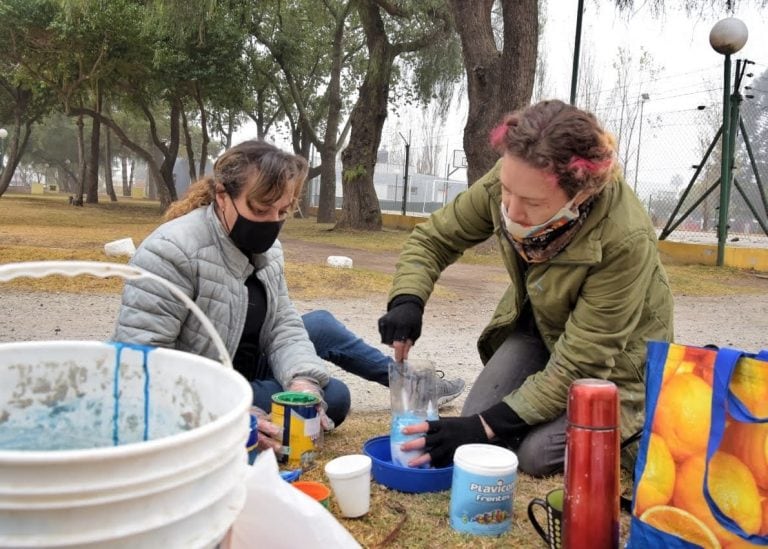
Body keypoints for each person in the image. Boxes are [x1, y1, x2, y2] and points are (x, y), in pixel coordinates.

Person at [378, 99, 674, 476]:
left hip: (616, 366)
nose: (512, 211)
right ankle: (538, 414)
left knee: (532, 455)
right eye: (506, 191)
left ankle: (639, 423)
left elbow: (581, 363)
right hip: (541, 331)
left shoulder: (624, 238)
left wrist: (487, 426)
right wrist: (408, 300)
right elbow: (433, 239)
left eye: (532, 203)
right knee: (478, 420)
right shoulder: (516, 175)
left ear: (579, 194)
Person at [114, 140, 349, 451]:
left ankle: (257, 418)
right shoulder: (169, 251)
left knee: (328, 396)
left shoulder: (270, 251)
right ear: (222, 196)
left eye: (283, 211)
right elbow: (140, 363)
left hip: (242, 372)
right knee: (297, 409)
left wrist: (302, 380)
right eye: (260, 209)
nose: (272, 222)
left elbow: (282, 324)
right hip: (189, 387)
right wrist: (227, 412)